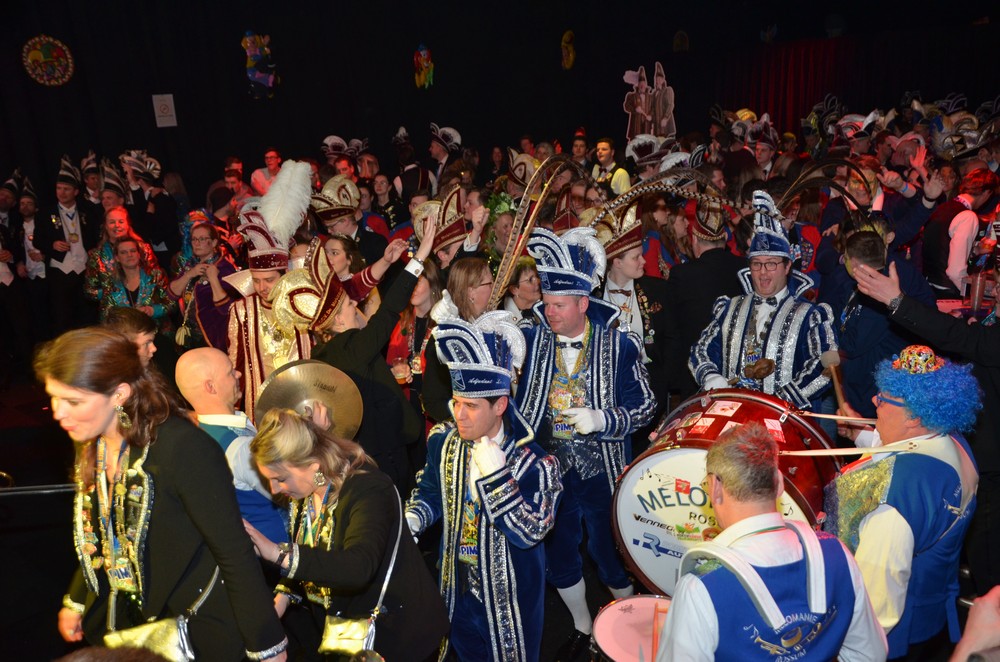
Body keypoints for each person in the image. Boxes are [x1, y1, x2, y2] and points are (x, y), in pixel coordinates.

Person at [37, 328, 288, 661]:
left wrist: (267, 643)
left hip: (195, 629)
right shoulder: (90, 441)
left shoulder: (184, 448)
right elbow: (104, 531)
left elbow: (234, 551)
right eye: (54, 397)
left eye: (73, 401)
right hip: (123, 625)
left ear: (119, 394)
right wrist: (78, 598)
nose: (58, 412)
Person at [515, 227, 656, 659]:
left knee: (610, 553)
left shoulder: (619, 346)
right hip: (551, 470)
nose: (549, 312)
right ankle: (583, 626)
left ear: (582, 303)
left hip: (603, 471)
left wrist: (603, 419)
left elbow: (647, 406)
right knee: (560, 556)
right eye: (546, 303)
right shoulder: (532, 341)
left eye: (558, 305)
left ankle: (630, 623)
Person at [656, 422, 886, 661]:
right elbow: (870, 654)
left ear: (715, 487)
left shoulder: (701, 588)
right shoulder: (836, 554)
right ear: (779, 483)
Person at [406, 310, 562, 661]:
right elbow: (431, 493)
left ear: (500, 404)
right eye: (457, 403)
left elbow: (531, 533)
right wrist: (414, 518)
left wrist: (497, 479)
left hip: (510, 604)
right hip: (456, 589)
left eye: (472, 406)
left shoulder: (537, 464)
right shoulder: (444, 442)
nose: (459, 415)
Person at [245, 408, 448, 661]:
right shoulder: (307, 492)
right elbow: (313, 553)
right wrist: (281, 600)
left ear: (313, 465)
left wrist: (278, 553)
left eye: (280, 478)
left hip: (401, 639)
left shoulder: (369, 488)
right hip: (349, 638)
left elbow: (358, 566)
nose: (274, 489)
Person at [854, 260, 1000, 595]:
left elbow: (964, 340)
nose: (995, 288)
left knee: (988, 566)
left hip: (993, 463)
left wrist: (897, 301)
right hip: (981, 452)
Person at [826, 344, 980, 659]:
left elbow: (875, 607)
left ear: (913, 416)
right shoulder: (953, 441)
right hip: (933, 613)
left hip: (896, 637)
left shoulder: (891, 504)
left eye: (883, 399)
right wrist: (861, 435)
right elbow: (912, 449)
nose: (874, 401)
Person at [269, 216, 436, 492]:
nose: (355, 308)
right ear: (337, 321)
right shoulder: (353, 346)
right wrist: (419, 258)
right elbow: (388, 311)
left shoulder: (320, 356)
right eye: (349, 305)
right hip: (386, 454)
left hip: (355, 458)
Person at [690, 190, 837, 410]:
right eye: (757, 264)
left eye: (771, 264)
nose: (763, 272)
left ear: (787, 266)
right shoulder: (729, 307)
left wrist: (778, 403)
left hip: (784, 420)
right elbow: (701, 349)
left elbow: (823, 367)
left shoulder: (810, 316)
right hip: (731, 416)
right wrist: (710, 376)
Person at [229, 162, 314, 421]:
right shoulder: (241, 310)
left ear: (284, 274)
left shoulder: (304, 303)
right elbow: (236, 363)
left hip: (304, 404)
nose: (261, 287)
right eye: (256, 280)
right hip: (261, 412)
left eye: (268, 280)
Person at [176, 347, 287, 544]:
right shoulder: (240, 448)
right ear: (211, 387)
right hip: (279, 546)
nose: (239, 374)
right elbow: (291, 493)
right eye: (230, 372)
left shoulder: (198, 434)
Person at [661, 198, 745, 401]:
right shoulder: (745, 268)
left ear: (695, 241)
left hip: (695, 375)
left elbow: (671, 328)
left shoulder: (682, 274)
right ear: (725, 238)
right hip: (739, 370)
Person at [420, 256, 495, 423]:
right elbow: (433, 401)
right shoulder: (446, 338)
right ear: (471, 292)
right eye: (489, 283)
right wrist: (467, 414)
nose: (494, 288)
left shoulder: (491, 325)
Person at [35, 155, 101, 334]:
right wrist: (52, 245)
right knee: (62, 317)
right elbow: (38, 239)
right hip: (60, 270)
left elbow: (96, 235)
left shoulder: (86, 211)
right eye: (59, 188)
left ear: (76, 191)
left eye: (66, 189)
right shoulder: (45, 213)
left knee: (87, 315)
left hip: (84, 269)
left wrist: (94, 249)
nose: (61, 192)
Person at [169, 219, 239, 350]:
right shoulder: (191, 265)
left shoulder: (224, 267)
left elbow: (227, 308)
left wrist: (213, 279)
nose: (197, 243)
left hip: (215, 336)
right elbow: (171, 294)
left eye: (202, 239)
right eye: (194, 239)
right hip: (191, 335)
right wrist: (190, 274)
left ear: (214, 242)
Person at [83, 206, 158, 306]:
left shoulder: (143, 249)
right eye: (112, 222)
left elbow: (156, 279)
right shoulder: (97, 255)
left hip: (145, 308)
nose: (117, 225)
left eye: (121, 222)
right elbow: (89, 290)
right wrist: (110, 292)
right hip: (114, 311)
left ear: (128, 224)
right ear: (105, 226)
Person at [98, 237, 175, 333]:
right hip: (126, 336)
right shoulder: (110, 284)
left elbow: (172, 304)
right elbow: (105, 316)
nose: (129, 255)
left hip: (158, 333)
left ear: (139, 254)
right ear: (117, 258)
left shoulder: (156, 275)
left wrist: (152, 311)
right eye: (123, 252)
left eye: (133, 251)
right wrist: (125, 317)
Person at [503, 256, 541, 327]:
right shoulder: (503, 320)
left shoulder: (547, 305)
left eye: (537, 276)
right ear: (514, 289)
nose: (538, 281)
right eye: (530, 280)